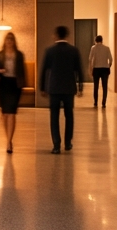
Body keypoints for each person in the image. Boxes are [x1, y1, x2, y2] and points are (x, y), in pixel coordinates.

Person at [39, 25, 83, 154]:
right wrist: (80, 86)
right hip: (69, 88)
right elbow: (79, 69)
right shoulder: (74, 50)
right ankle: (68, 143)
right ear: (67, 36)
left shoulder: (50, 51)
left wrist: (43, 87)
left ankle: (56, 145)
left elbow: (44, 71)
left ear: (56, 35)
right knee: (69, 116)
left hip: (54, 88)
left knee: (54, 116)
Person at [0, 32, 26, 154]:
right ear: (5, 41)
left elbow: (22, 72)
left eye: (11, 40)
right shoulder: (0, 55)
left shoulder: (19, 55)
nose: (9, 42)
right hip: (3, 85)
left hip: (15, 85)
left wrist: (22, 86)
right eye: (8, 40)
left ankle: (9, 142)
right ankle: (8, 138)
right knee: (4, 114)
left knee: (11, 113)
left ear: (14, 42)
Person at [90, 35, 112, 109]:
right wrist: (108, 66)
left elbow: (90, 59)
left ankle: (95, 102)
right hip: (105, 69)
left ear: (95, 40)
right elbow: (111, 59)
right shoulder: (107, 48)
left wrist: (91, 68)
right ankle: (103, 103)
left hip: (96, 69)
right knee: (105, 86)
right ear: (102, 40)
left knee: (96, 86)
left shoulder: (93, 48)